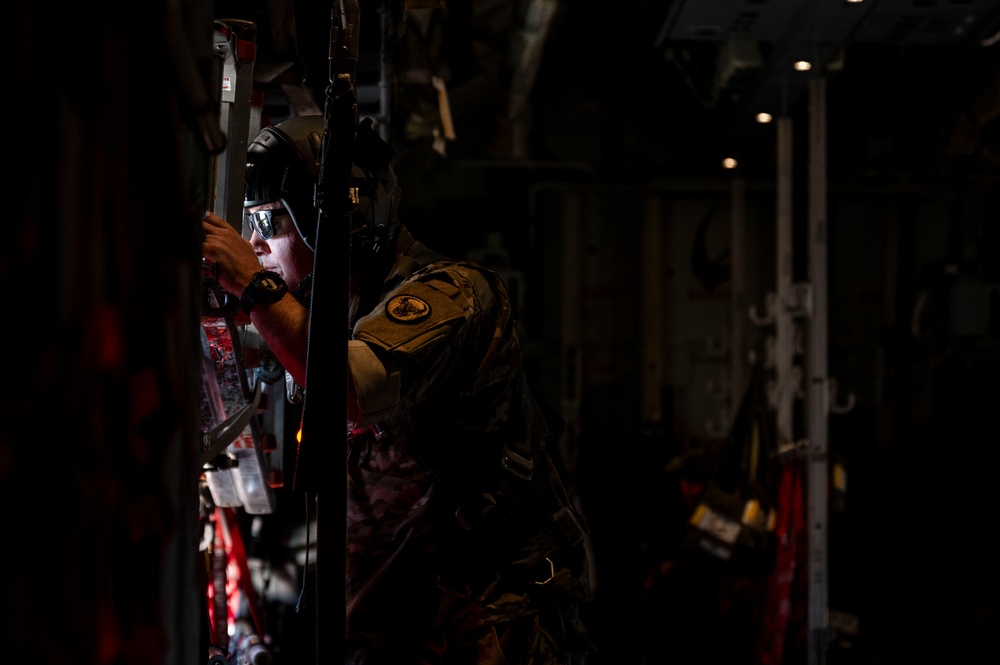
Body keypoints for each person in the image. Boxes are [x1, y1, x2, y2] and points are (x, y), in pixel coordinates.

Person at [201, 113, 595, 664]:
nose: (255, 245)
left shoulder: (453, 296)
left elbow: (347, 389)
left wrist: (253, 284)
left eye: (270, 225)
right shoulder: (329, 314)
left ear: (337, 222)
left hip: (479, 636)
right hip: (390, 632)